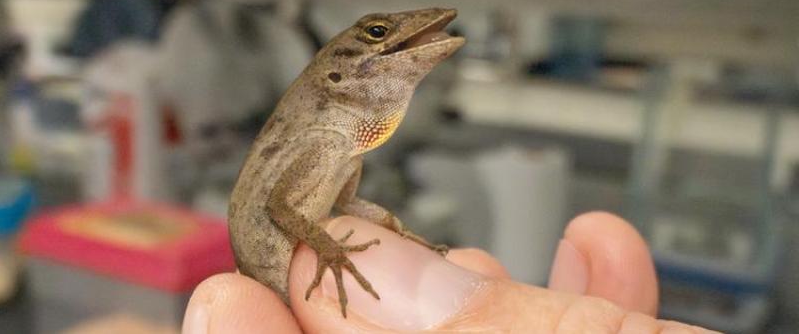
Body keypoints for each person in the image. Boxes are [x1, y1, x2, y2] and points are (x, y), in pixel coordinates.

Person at [183, 212, 716, 333]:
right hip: (275, 283)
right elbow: (281, 204)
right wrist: (332, 250)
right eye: (377, 36)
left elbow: (336, 200)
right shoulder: (320, 136)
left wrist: (387, 225)